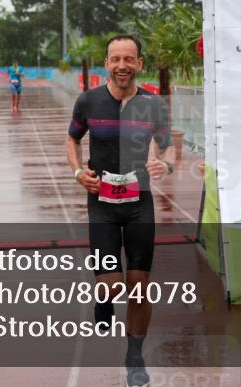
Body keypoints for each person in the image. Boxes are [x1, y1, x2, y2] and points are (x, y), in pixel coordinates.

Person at [66, 35, 175, 387]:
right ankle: (103, 300)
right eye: (116, 59)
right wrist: (78, 171)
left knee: (139, 287)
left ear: (139, 64)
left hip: (139, 202)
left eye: (129, 59)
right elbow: (72, 139)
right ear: (106, 63)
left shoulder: (153, 105)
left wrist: (166, 165)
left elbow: (170, 148)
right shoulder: (89, 101)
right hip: (102, 205)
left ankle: (135, 356)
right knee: (111, 286)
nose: (122, 65)